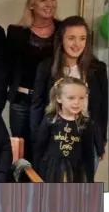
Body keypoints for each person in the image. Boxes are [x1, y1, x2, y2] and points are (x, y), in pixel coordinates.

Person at [31, 16, 108, 172]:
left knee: (83, 191)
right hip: (55, 141)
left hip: (87, 141)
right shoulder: (47, 67)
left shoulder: (97, 68)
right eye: (71, 38)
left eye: (82, 38)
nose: (77, 44)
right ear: (61, 40)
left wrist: (101, 142)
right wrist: (37, 139)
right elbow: (37, 106)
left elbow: (102, 109)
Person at [4, 0, 59, 162]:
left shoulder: (62, 30)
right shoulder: (16, 32)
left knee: (47, 154)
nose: (49, 4)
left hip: (51, 102)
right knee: (21, 156)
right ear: (32, 4)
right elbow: (6, 69)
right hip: (21, 103)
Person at [33, 77, 95, 182]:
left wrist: (90, 179)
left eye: (81, 98)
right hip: (51, 170)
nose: (77, 102)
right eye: (71, 98)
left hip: (76, 171)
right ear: (58, 98)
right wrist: (35, 172)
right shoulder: (50, 120)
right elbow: (39, 147)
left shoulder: (85, 123)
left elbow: (88, 153)